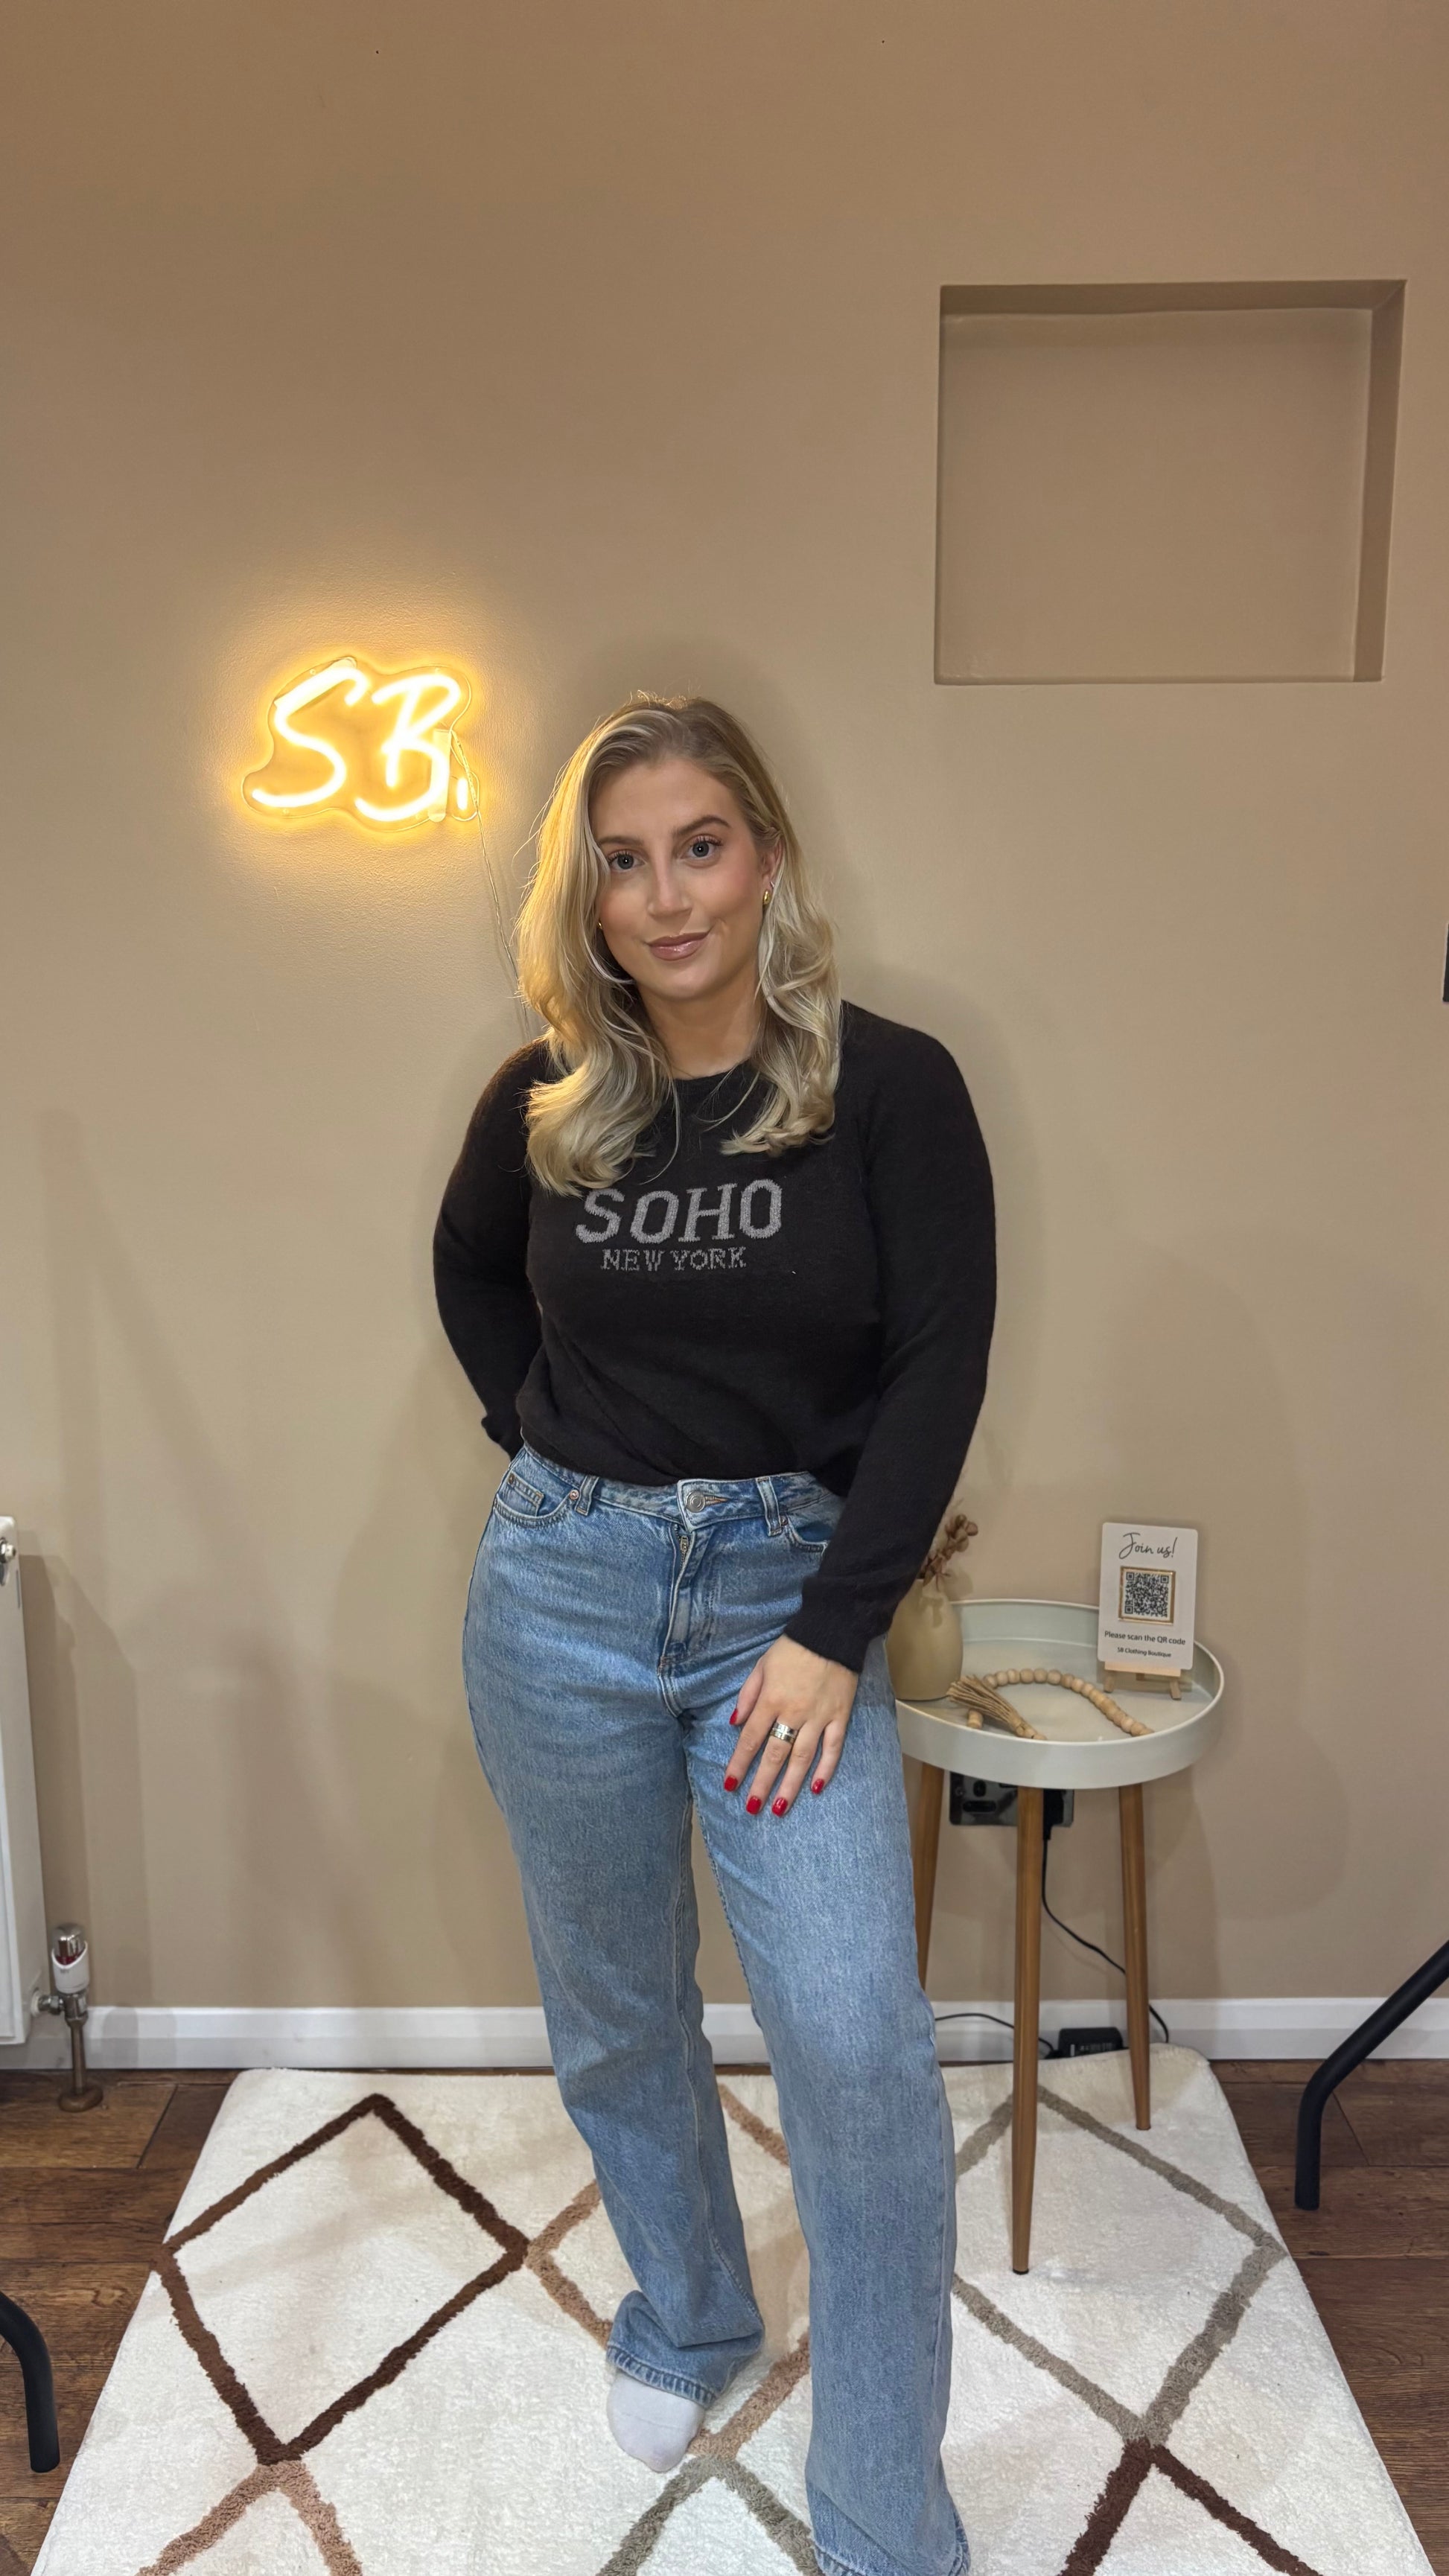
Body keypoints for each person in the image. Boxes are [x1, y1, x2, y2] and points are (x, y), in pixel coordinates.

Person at [433, 695, 996, 2576]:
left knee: (854, 2043)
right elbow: (465, 1265)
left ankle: (885, 2517)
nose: (666, 896)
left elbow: (937, 1366)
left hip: (787, 1607)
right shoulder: (548, 1096)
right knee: (615, 2004)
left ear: (764, 858)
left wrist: (836, 1625)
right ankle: (688, 2311)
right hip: (563, 1597)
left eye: (699, 846)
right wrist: (543, 1442)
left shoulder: (887, 1085)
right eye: (623, 860)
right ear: (585, 894)